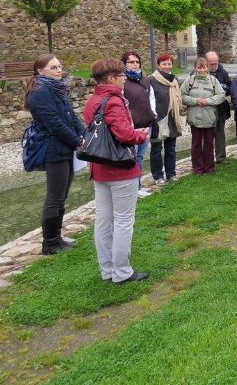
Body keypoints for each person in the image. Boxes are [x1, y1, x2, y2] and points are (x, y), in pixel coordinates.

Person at [84, 58, 150, 283]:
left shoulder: (94, 99)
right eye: (122, 75)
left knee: (103, 220)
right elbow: (124, 134)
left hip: (99, 166)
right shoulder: (113, 100)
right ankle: (122, 272)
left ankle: (108, 269)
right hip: (120, 168)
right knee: (123, 221)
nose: (125, 78)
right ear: (111, 78)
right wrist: (141, 134)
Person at [25, 55, 85, 255]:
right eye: (53, 67)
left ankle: (57, 237)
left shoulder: (57, 89)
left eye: (60, 66)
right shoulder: (40, 93)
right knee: (54, 197)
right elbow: (54, 124)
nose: (59, 70)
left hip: (65, 147)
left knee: (62, 195)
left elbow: (71, 116)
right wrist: (77, 141)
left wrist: (85, 134)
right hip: (54, 149)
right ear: (40, 71)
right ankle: (49, 242)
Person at [181, 57, 226, 175]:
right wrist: (195, 101)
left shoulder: (213, 81)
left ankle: (209, 167)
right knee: (196, 144)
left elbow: (221, 95)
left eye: (204, 67)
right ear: (195, 68)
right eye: (199, 67)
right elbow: (182, 96)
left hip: (209, 117)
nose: (201, 70)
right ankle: (198, 168)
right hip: (194, 118)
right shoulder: (189, 81)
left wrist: (208, 101)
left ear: (207, 68)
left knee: (209, 143)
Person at [121, 51, 156, 197]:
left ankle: (138, 186)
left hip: (146, 124)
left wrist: (153, 113)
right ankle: (130, 188)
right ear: (125, 64)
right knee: (131, 157)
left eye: (137, 61)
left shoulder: (145, 79)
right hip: (132, 127)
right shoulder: (122, 81)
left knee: (140, 157)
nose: (135, 64)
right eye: (131, 62)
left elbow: (151, 98)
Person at [149, 53, 182, 185]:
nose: (167, 66)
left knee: (171, 148)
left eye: (169, 64)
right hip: (158, 118)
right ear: (158, 65)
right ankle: (157, 176)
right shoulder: (151, 79)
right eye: (164, 64)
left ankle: (171, 173)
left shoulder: (174, 80)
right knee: (156, 149)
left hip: (172, 118)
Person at [207, 51, 232, 164]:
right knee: (206, 134)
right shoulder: (199, 70)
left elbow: (230, 87)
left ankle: (221, 157)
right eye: (211, 64)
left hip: (220, 108)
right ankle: (206, 158)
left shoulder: (222, 72)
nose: (214, 66)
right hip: (205, 108)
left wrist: (222, 89)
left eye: (215, 63)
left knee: (220, 133)